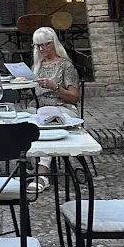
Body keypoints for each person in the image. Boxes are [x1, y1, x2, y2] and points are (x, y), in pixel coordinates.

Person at [31, 26, 81, 192]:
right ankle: (29, 162)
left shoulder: (66, 66)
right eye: (38, 46)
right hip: (41, 109)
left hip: (63, 108)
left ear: (54, 43)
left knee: (46, 125)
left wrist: (55, 87)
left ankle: (42, 174)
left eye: (45, 44)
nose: (42, 49)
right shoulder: (38, 66)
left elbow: (74, 97)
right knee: (21, 120)